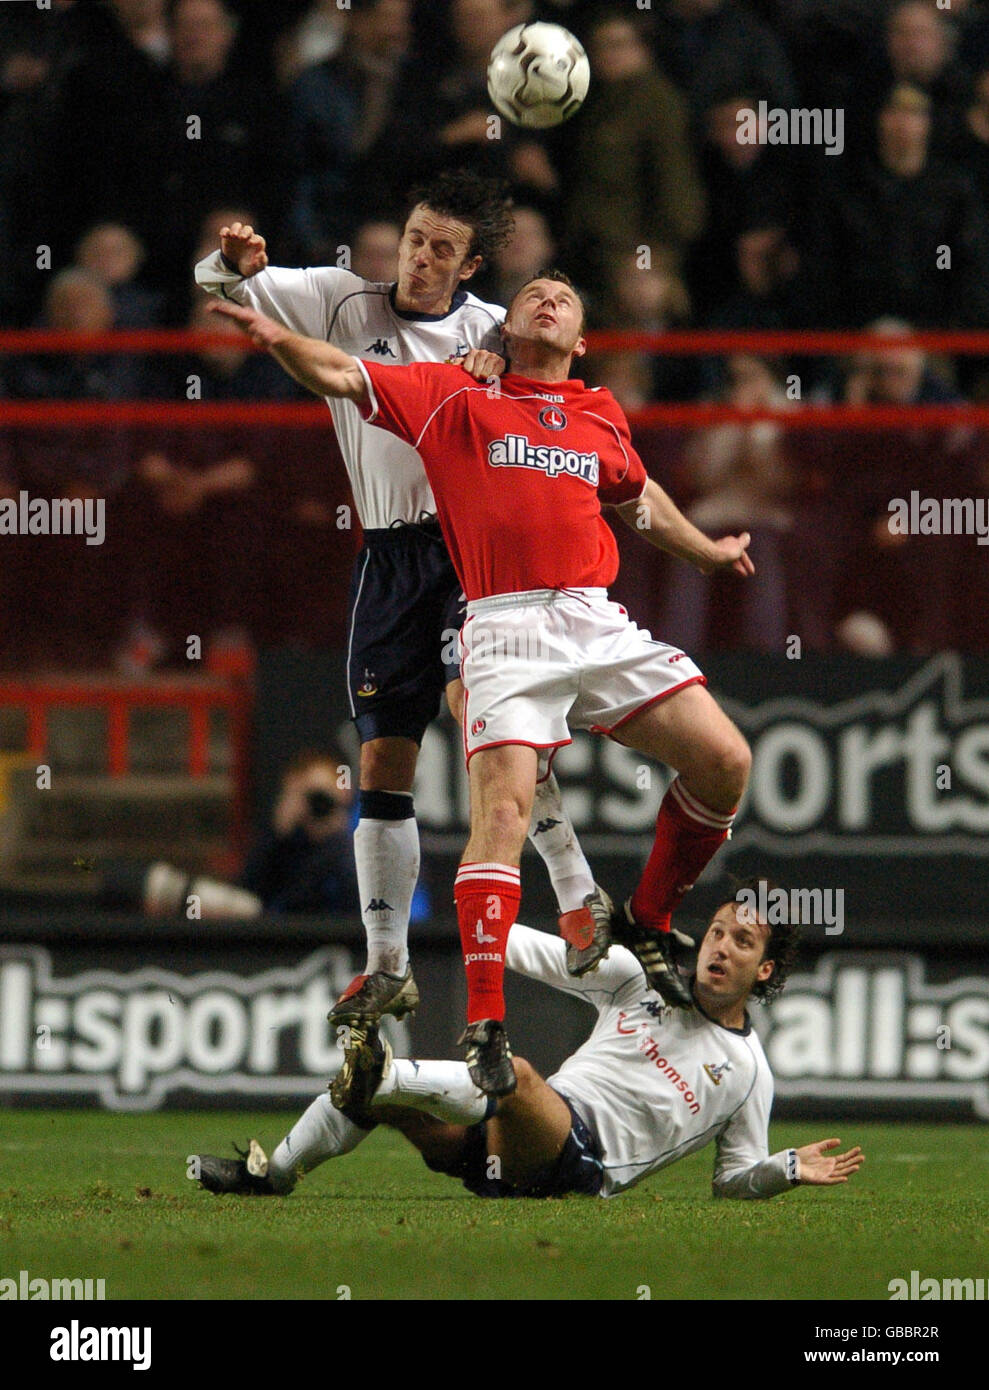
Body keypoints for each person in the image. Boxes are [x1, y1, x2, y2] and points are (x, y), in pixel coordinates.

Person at [208, 269, 755, 1096]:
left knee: (725, 762)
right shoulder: (450, 395)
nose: (548, 298)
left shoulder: (599, 413)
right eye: (535, 291)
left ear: (581, 341)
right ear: (509, 324)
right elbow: (345, 374)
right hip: (501, 624)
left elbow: (639, 501)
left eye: (566, 297)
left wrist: (707, 551)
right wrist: (282, 341)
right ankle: (487, 1022)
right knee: (497, 813)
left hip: (593, 616)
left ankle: (645, 917)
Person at [195, 171, 603, 1037]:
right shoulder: (342, 300)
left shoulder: (488, 327)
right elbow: (214, 288)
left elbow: (560, 401)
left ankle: (578, 896)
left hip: (468, 553)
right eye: (415, 239)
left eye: (440, 250)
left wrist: (505, 370)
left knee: (485, 720)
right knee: (383, 761)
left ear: (471, 264)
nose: (419, 259)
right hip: (385, 559)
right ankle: (388, 968)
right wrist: (231, 261)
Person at [191, 884, 864, 1202]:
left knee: (512, 1075)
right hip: (503, 1147)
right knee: (391, 1106)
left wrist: (783, 1170)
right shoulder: (636, 978)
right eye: (717, 931)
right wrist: (479, 892)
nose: (720, 946)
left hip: (581, 1167)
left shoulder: (748, 1073)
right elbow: (507, 943)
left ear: (765, 970)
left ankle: (381, 1073)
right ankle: (268, 1178)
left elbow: (727, 1183)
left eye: (741, 942)